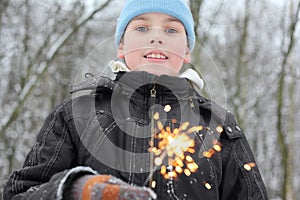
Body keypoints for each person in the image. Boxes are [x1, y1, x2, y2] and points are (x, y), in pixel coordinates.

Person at [3, 0, 268, 199]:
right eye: (141, 27)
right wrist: (71, 189)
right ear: (121, 46)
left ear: (187, 50)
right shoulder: (77, 113)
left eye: (172, 30)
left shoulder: (218, 126)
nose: (156, 37)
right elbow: (19, 193)